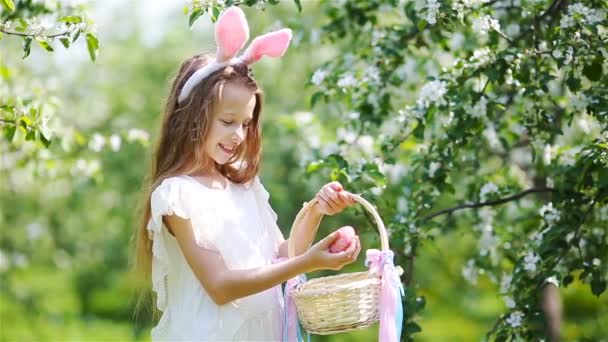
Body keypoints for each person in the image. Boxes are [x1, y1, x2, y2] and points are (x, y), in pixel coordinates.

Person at [133, 7, 361, 341]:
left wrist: (316, 210)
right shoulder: (176, 195)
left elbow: (282, 255)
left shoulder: (242, 185)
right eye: (227, 121)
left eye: (245, 123)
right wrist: (308, 264)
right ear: (191, 117)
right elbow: (221, 286)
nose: (238, 134)